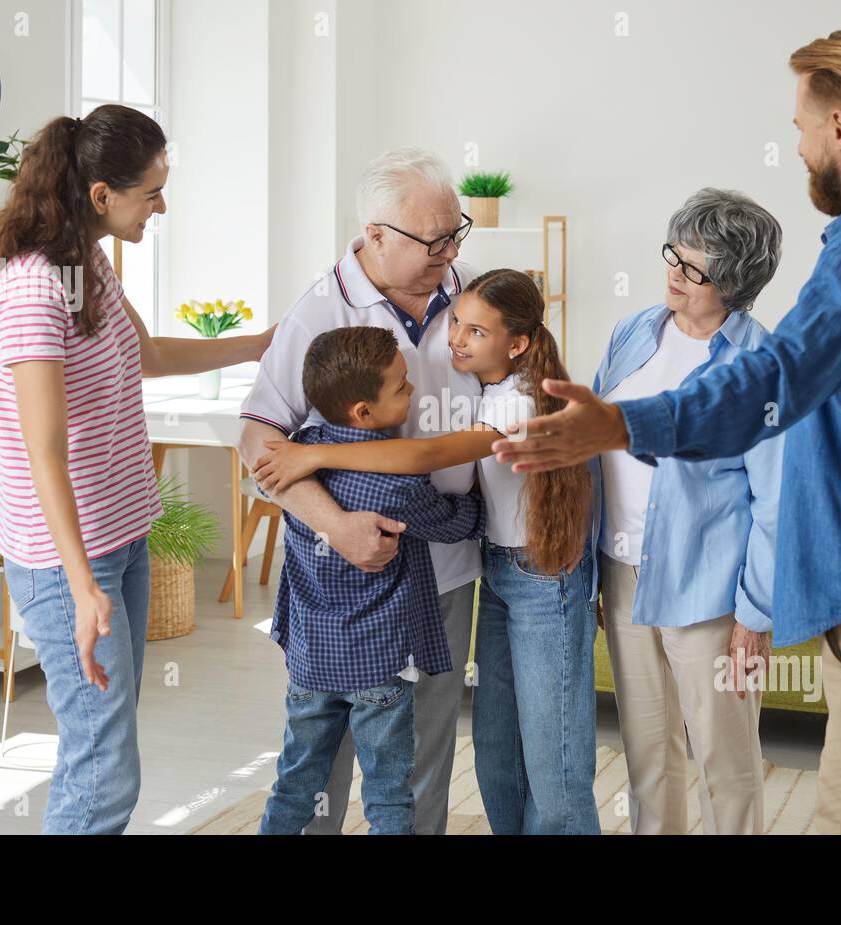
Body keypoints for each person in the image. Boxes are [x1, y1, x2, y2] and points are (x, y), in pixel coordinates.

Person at [490, 28, 841, 835]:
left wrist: (623, 423)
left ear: (840, 129)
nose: (799, 145)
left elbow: (771, 384)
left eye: (801, 127)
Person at [0, 104, 276, 834]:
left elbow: (152, 355)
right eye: (152, 192)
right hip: (64, 561)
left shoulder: (87, 263)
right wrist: (80, 586)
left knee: (101, 744)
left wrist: (259, 344)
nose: (161, 205)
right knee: (107, 767)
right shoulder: (33, 287)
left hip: (121, 538)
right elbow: (42, 450)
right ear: (102, 194)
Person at [255, 269, 600, 834]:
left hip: (539, 577)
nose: (456, 339)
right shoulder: (484, 388)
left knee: (551, 752)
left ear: (516, 345)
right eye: (456, 323)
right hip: (497, 567)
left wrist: (312, 458)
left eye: (475, 332)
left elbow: (426, 456)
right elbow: (459, 505)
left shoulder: (519, 402)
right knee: (494, 742)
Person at [238, 147, 482, 834]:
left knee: (422, 755)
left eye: (454, 232)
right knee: (327, 754)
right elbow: (259, 442)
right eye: (431, 240)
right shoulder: (319, 310)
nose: (448, 251)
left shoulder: (469, 295)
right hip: (346, 585)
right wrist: (336, 527)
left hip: (443, 579)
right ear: (374, 234)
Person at [591, 189, 783, 834]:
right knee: (647, 753)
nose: (674, 273)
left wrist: (755, 616)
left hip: (709, 593)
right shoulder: (634, 331)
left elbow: (776, 504)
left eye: (695, 269)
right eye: (673, 254)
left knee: (725, 759)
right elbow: (595, 438)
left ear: (735, 284)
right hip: (623, 574)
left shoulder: (760, 364)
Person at [258, 326, 485, 835]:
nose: (413, 392)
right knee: (387, 794)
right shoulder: (396, 483)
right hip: (378, 666)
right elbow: (456, 523)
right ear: (364, 412)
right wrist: (482, 500)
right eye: (403, 387)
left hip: (311, 662)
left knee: (296, 779)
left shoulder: (297, 457)